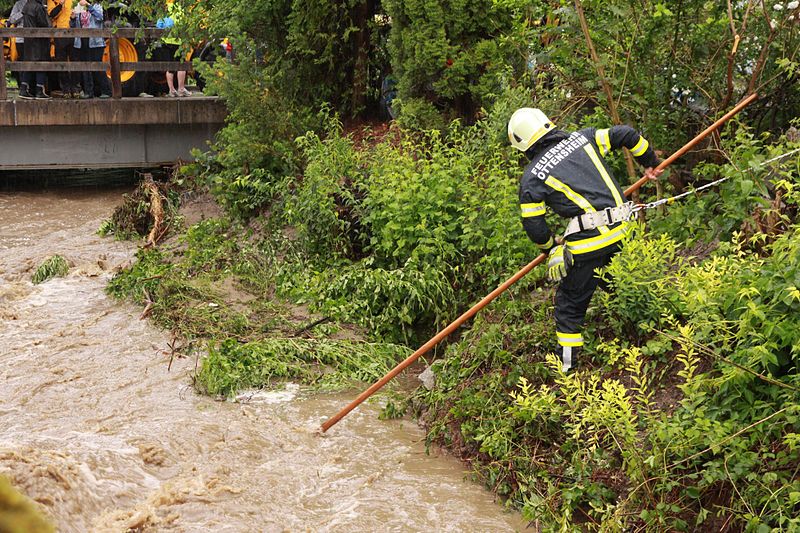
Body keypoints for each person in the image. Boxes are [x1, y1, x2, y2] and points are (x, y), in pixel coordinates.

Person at [508, 108, 662, 372]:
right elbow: (625, 133)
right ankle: (658, 336)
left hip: (590, 246)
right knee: (625, 285)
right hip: (626, 230)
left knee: (569, 308)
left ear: (522, 145)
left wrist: (550, 248)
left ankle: (567, 375)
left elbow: (534, 225)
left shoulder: (532, 177)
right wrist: (648, 161)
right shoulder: (585, 138)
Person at [72, 0, 110, 99]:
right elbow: (74, 26)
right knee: (86, 67)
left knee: (97, 66)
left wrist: (89, 6)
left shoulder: (97, 6)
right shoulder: (78, 8)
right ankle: (88, 92)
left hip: (95, 41)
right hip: (82, 41)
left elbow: (100, 17)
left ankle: (106, 91)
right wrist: (72, 19)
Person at [19, 0, 50, 99]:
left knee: (29, 64)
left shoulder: (27, 5)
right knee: (41, 64)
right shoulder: (38, 7)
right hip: (38, 41)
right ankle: (39, 90)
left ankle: (23, 88)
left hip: (28, 40)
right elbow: (43, 23)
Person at [157, 0, 189, 97]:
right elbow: (183, 24)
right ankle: (181, 89)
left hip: (166, 42)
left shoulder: (164, 10)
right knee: (181, 65)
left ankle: (171, 90)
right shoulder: (179, 9)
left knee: (170, 67)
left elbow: (159, 25)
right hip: (177, 42)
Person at [48, 0, 76, 98]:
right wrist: (60, 4)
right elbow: (51, 14)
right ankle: (66, 90)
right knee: (61, 62)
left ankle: (75, 88)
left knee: (75, 61)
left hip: (73, 33)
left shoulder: (73, 1)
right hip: (59, 34)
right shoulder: (52, 1)